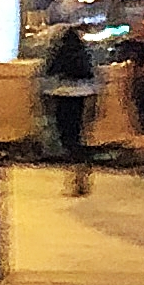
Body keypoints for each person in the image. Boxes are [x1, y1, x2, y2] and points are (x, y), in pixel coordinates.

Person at [42, 25, 98, 195]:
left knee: (68, 138)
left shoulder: (59, 54)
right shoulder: (83, 56)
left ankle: (74, 178)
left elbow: (50, 71)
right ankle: (81, 177)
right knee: (79, 138)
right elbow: (91, 75)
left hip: (62, 97)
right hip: (82, 97)